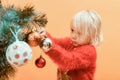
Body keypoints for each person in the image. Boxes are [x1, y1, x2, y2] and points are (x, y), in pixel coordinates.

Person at [39, 10, 103, 80]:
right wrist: (44, 36)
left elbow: (68, 60)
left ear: (92, 35)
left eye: (79, 33)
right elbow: (55, 42)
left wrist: (49, 46)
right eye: (72, 30)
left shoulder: (89, 51)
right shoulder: (70, 42)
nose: (73, 36)